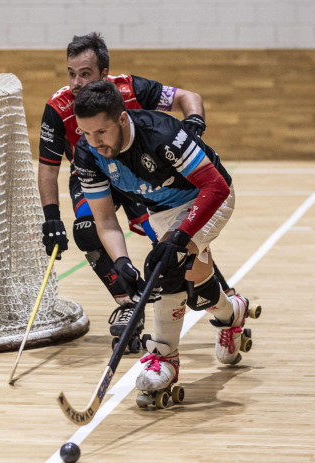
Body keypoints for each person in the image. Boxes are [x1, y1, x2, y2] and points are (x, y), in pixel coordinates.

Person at [72, 80, 258, 396]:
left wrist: (180, 237)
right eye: (85, 133)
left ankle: (164, 359)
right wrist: (120, 262)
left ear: (121, 119)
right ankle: (231, 313)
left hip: (207, 197)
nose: (94, 142)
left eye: (100, 133)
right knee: (198, 287)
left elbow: (216, 188)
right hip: (163, 211)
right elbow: (104, 219)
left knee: (165, 264)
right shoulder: (88, 153)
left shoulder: (161, 133)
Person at [38, 32, 208, 343]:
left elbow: (188, 97)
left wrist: (194, 124)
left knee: (172, 245)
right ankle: (130, 302)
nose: (76, 83)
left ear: (104, 74)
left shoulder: (129, 89)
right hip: (92, 175)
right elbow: (48, 169)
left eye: (85, 74)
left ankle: (217, 291)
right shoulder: (58, 107)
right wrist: (50, 218)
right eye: (71, 73)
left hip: (137, 171)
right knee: (88, 229)